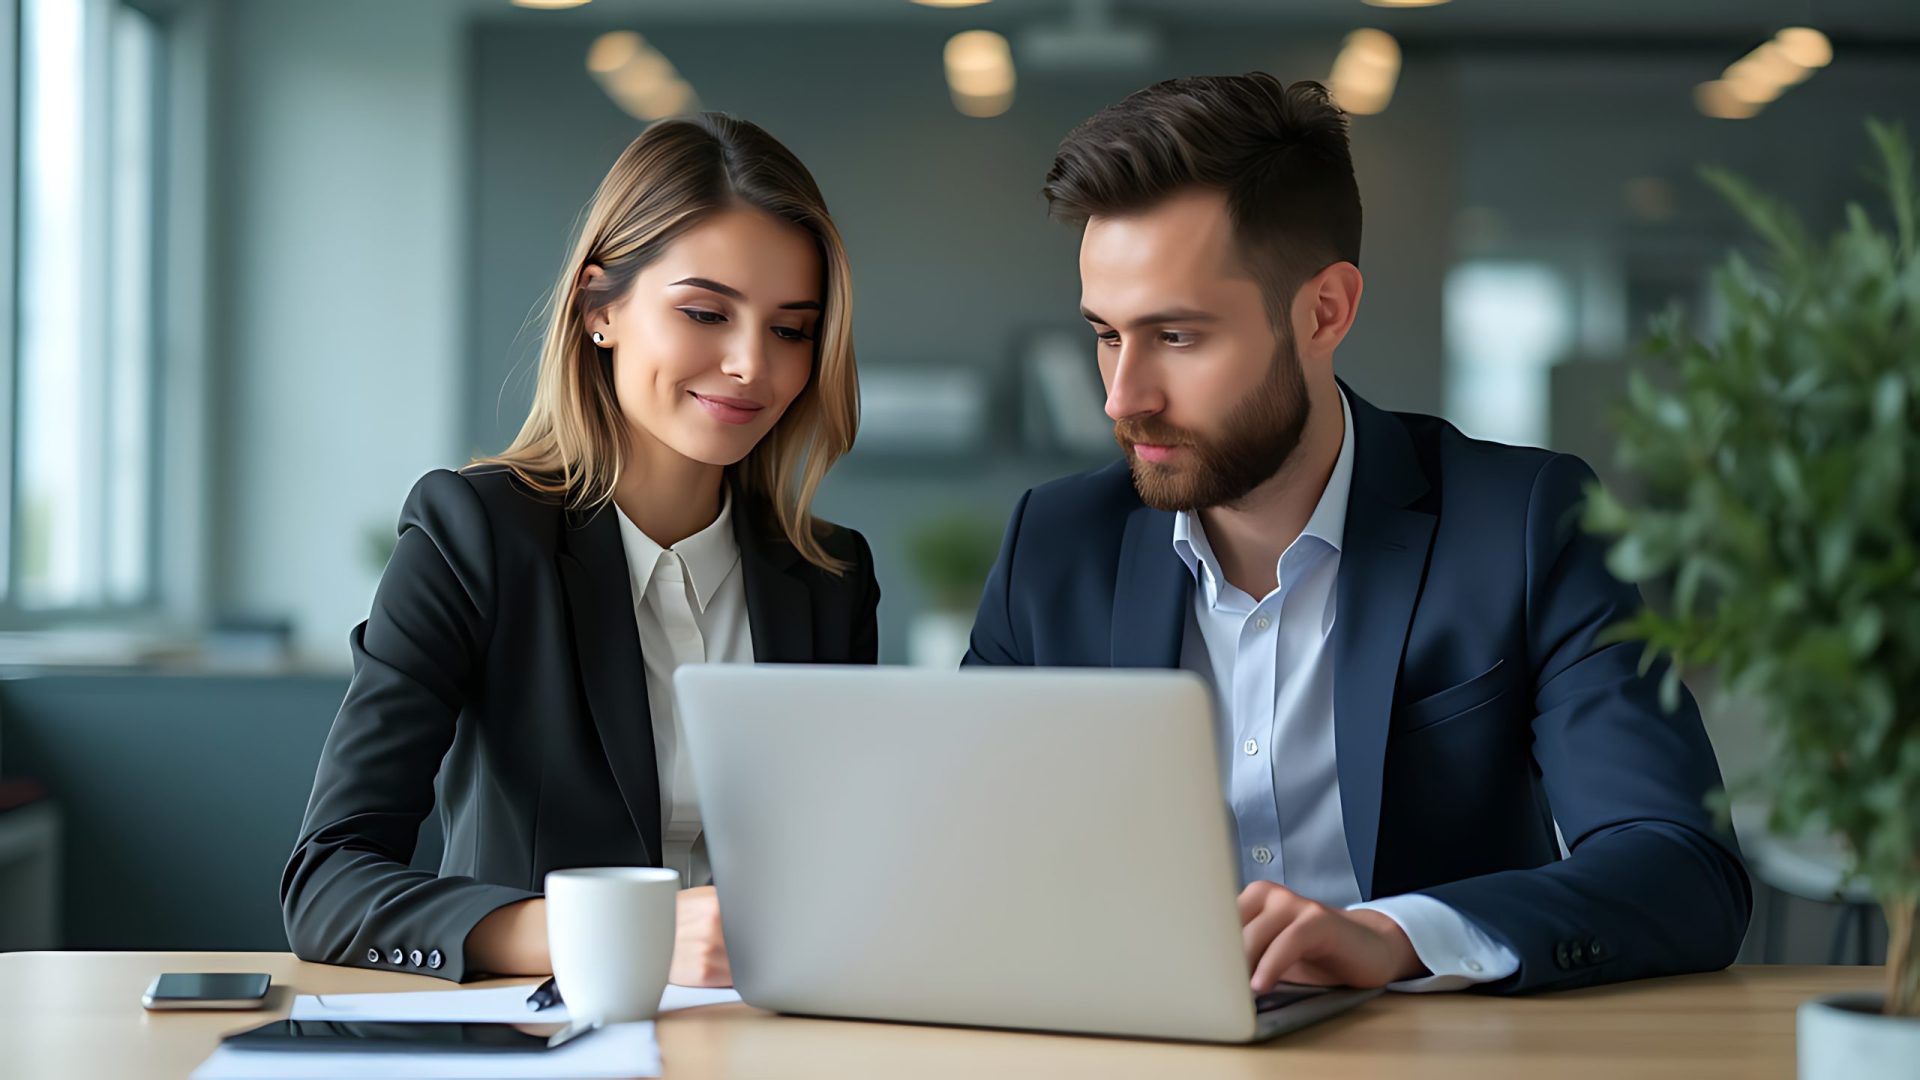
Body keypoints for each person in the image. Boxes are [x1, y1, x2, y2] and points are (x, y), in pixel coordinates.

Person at [964, 74, 1750, 995]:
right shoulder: (1054, 548)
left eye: (1175, 337)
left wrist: (1395, 936)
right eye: (1106, 334)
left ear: (1325, 311)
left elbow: (1680, 867)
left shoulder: (1524, 525)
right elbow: (963, 856)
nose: (1121, 396)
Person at [281, 113, 877, 987]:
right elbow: (327, 885)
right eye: (706, 312)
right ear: (600, 308)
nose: (754, 364)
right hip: (544, 1034)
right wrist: (616, 934)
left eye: (792, 328)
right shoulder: (472, 535)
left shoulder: (831, 575)